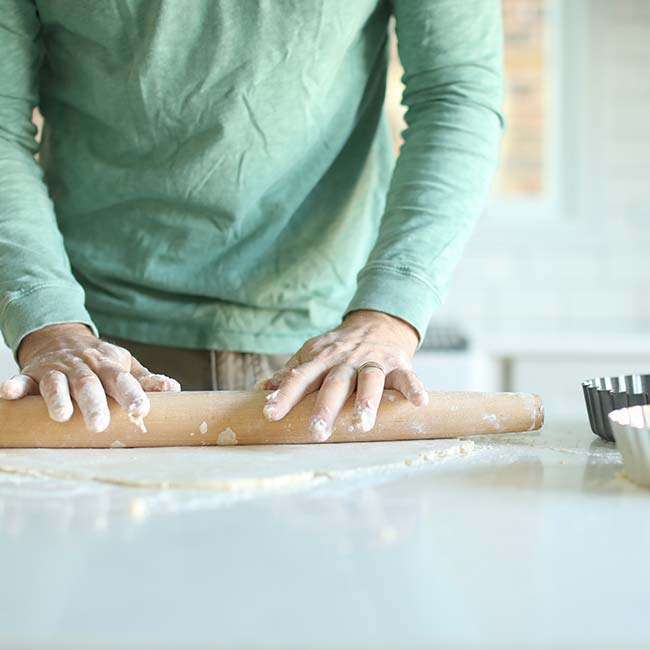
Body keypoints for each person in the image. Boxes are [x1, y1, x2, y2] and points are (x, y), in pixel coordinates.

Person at [0, 1, 503, 440]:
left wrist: (389, 315)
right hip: (95, 344)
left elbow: (457, 94)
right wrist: (50, 325)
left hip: (325, 344)